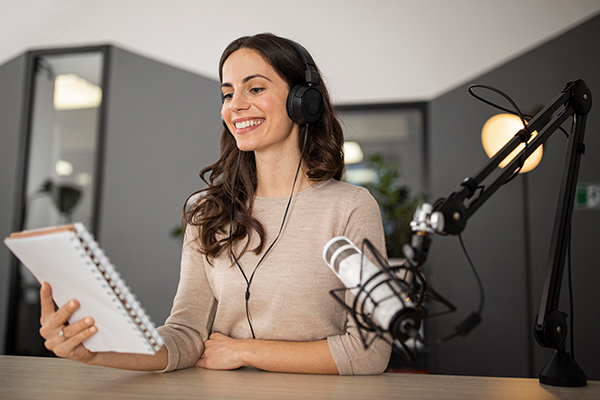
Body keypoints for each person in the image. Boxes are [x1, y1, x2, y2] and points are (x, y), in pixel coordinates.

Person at [38, 33, 391, 375]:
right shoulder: (208, 211)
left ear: (303, 101)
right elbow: (187, 334)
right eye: (227, 93)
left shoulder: (350, 207)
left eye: (255, 88)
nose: (235, 105)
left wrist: (244, 350)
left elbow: (369, 351)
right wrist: (101, 349)